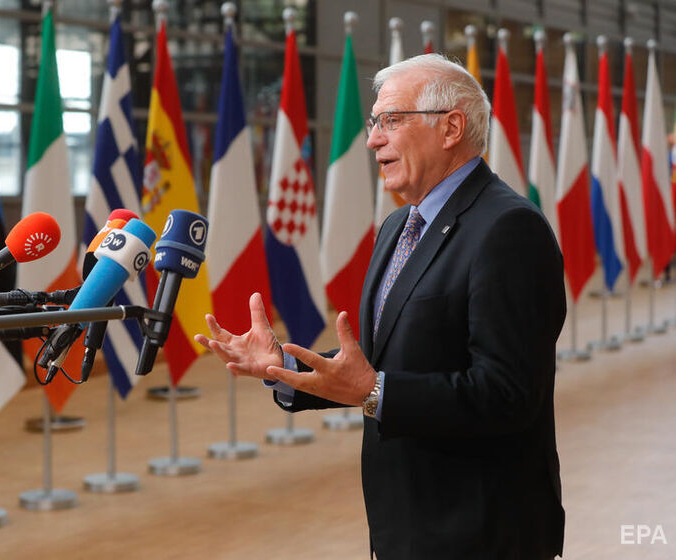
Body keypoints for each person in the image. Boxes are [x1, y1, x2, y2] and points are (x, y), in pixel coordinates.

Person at [195, 53, 565, 560]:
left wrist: (374, 392)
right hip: (404, 528)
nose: (372, 139)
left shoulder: (509, 229)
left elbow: (508, 394)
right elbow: (381, 360)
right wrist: (283, 368)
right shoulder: (397, 227)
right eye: (374, 123)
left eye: (391, 120)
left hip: (481, 532)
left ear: (451, 127)